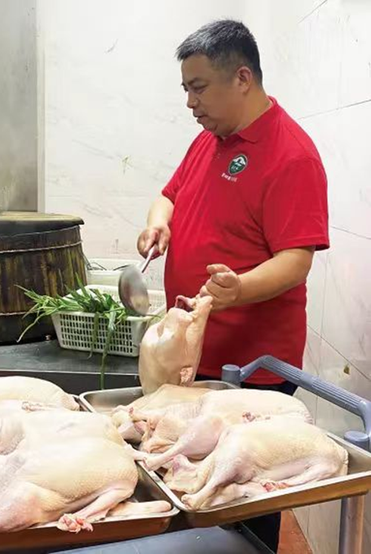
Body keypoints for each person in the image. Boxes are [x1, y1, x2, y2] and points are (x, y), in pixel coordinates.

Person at [137, 20, 328, 552]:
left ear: (242, 77)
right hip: (197, 361)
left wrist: (237, 289)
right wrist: (159, 222)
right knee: (192, 491)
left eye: (198, 88)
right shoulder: (210, 139)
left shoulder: (292, 154)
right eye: (185, 90)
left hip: (253, 371)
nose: (191, 103)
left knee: (242, 502)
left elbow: (296, 259)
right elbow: (168, 194)